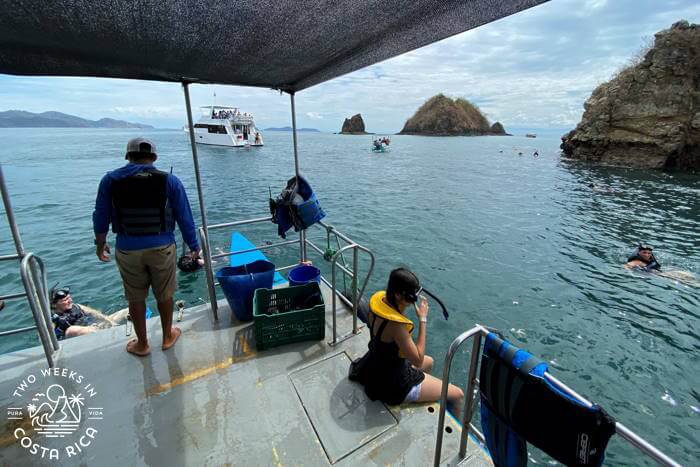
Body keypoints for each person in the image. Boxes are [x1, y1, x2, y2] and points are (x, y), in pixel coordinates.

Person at [93, 137, 200, 356]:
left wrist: (101, 243)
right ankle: (167, 336)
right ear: (154, 158)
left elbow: (100, 215)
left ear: (128, 156)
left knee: (135, 297)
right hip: (162, 247)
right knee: (165, 295)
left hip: (127, 248)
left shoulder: (109, 180)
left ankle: (142, 344)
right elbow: (184, 216)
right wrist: (193, 246)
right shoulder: (170, 181)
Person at [349, 268, 464, 413]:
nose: (412, 300)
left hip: (375, 367)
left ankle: (424, 393)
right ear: (398, 295)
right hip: (392, 385)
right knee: (458, 395)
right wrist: (423, 319)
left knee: (430, 362)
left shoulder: (378, 307)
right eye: (410, 297)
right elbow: (418, 360)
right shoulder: (397, 327)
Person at [50, 286, 128, 339]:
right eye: (65, 300)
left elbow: (96, 314)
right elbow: (49, 339)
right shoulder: (52, 320)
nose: (70, 301)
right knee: (71, 330)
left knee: (127, 312)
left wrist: (111, 323)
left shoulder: (76, 306)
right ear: (54, 304)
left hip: (96, 327)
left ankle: (114, 331)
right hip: (74, 338)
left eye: (69, 298)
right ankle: (108, 334)